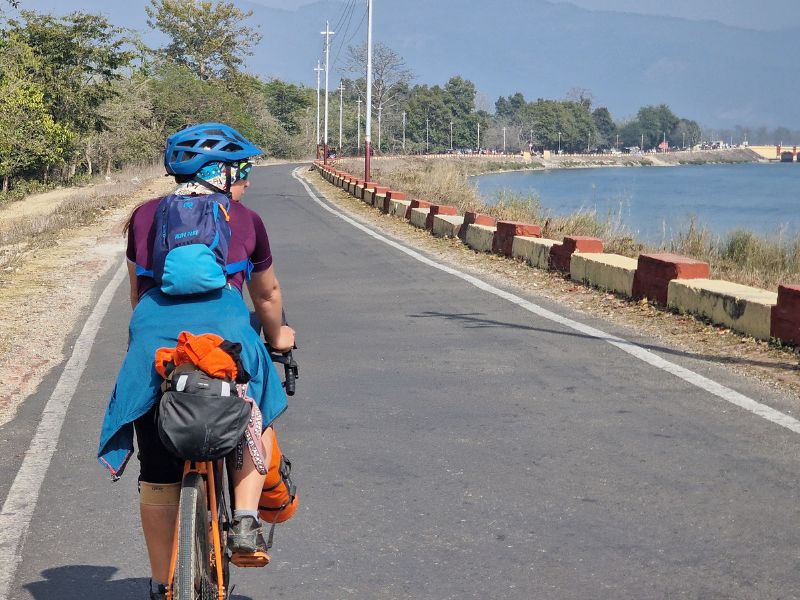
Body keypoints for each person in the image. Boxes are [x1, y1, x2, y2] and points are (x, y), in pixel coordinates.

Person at [97, 123, 295, 600]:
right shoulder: (244, 219)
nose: (245, 179)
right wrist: (279, 338)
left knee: (157, 471)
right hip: (225, 337)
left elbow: (137, 292)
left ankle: (163, 584)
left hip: (157, 342)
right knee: (257, 408)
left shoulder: (143, 218)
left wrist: (152, 340)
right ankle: (246, 522)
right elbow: (266, 294)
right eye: (241, 169)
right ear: (218, 173)